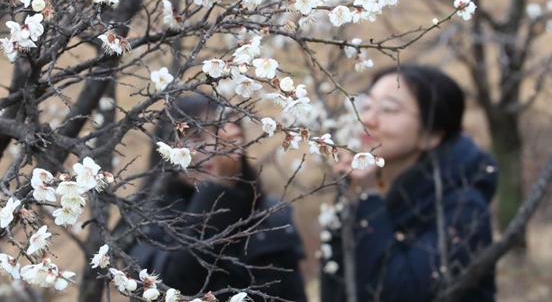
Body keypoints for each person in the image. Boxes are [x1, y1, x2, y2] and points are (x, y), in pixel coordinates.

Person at [320, 64, 497, 302]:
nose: (368, 120)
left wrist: (368, 199)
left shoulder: (463, 209)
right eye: (367, 105)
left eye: (389, 109)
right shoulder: (361, 185)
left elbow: (400, 294)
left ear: (431, 135)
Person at [117, 94, 307, 302]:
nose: (213, 149)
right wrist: (218, 189)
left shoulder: (271, 215)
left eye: (223, 137)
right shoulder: (143, 218)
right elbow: (170, 288)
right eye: (197, 136)